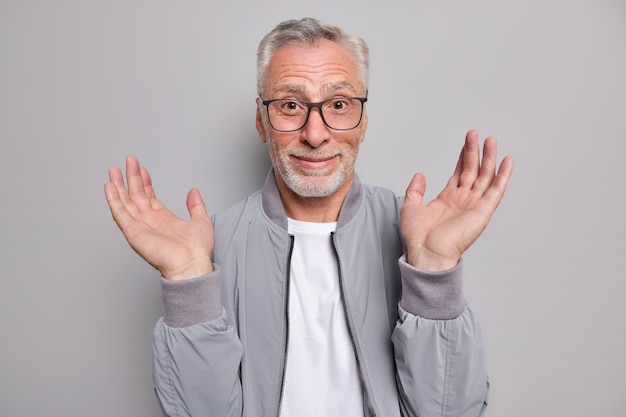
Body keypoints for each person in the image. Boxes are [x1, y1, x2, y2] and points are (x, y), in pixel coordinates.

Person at [104, 17, 513, 417]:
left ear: (364, 120)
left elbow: (450, 411)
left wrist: (434, 271)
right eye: (289, 105)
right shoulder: (210, 248)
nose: (315, 134)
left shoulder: (414, 235)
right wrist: (188, 281)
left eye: (338, 104)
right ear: (261, 121)